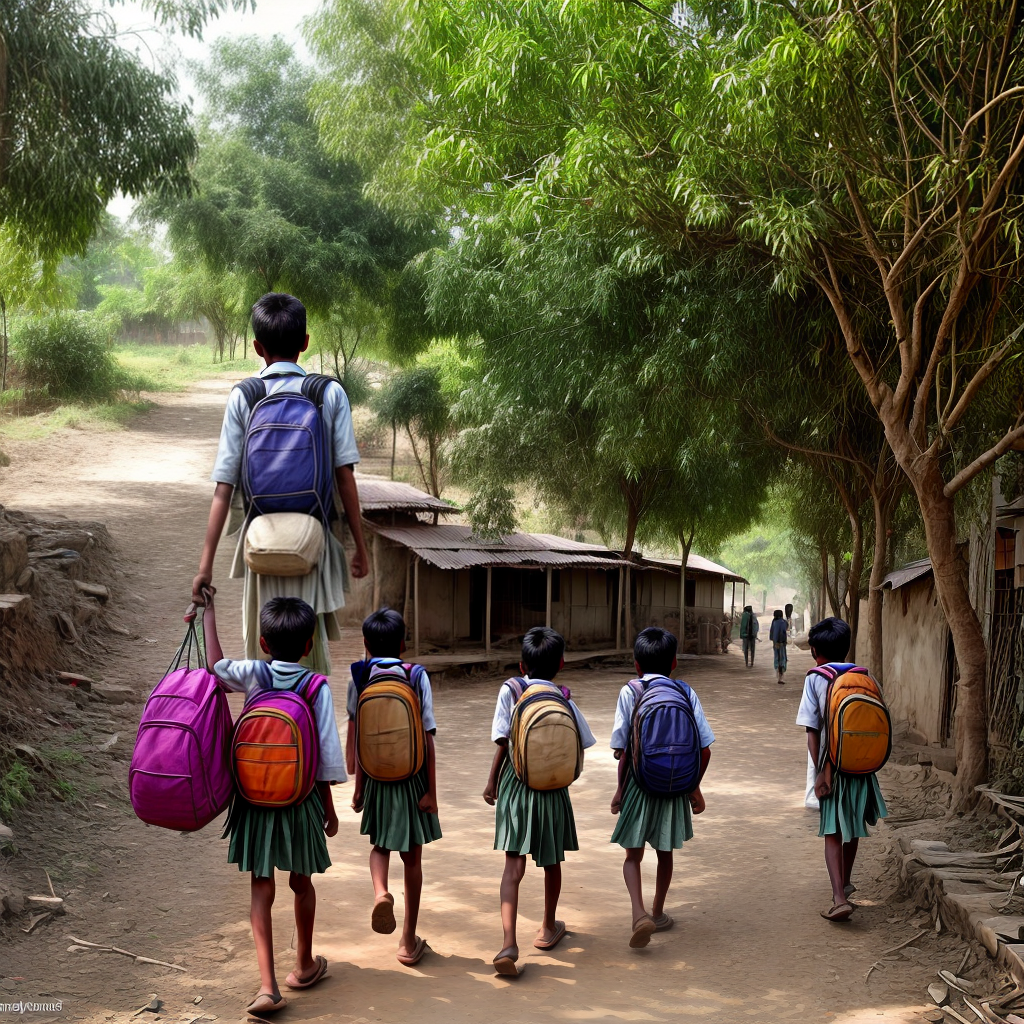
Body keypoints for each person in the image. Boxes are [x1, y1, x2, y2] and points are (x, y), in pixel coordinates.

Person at [192, 292, 370, 674]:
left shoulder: (246, 395)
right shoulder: (328, 393)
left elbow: (224, 486)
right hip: (313, 541)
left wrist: (204, 567)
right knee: (308, 650)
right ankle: (308, 721)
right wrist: (359, 546)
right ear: (305, 343)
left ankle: (264, 721)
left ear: (257, 347)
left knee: (262, 649)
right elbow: (344, 477)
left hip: (260, 541)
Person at [204, 595, 343, 1015]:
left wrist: (210, 612)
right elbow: (325, 758)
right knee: (302, 883)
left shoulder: (254, 674)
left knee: (260, 889)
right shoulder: (317, 687)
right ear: (309, 645)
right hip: (300, 801)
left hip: (254, 799)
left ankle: (267, 986)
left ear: (263, 642)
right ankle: (303, 964)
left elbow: (215, 666)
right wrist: (329, 810)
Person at [482, 626, 596, 976]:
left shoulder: (511, 691)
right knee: (551, 862)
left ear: (521, 665)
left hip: (517, 787)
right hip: (552, 791)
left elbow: (502, 741)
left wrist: (491, 783)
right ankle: (548, 927)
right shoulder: (564, 698)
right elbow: (584, 743)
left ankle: (508, 943)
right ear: (561, 663)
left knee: (512, 867)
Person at [610, 627, 714, 948]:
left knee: (633, 856)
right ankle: (657, 913)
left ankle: (638, 912)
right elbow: (705, 748)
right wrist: (694, 788)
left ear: (637, 665)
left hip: (640, 785)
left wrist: (619, 791)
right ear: (675, 662)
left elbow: (622, 750)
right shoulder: (685, 692)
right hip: (675, 786)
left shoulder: (631, 691)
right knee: (664, 853)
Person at [348, 608, 440, 967]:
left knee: (379, 845)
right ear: (404, 642)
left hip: (375, 777)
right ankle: (407, 941)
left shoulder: (359, 675)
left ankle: (381, 891)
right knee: (413, 858)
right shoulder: (415, 675)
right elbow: (428, 736)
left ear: (366, 644)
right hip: (413, 776)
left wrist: (358, 786)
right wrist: (431, 792)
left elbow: (358, 734)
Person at [796, 616, 888, 922]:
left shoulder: (815, 678)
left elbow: (812, 730)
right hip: (862, 767)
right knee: (853, 829)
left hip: (833, 768)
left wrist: (821, 772)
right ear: (847, 647)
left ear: (813, 650)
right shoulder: (865, 677)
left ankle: (838, 899)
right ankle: (845, 883)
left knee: (832, 832)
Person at [769, 608, 788, 684]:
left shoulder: (774, 622)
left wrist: (775, 641)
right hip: (781, 644)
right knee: (783, 659)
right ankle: (781, 677)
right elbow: (784, 629)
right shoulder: (782, 622)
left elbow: (772, 633)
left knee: (777, 658)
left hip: (775, 643)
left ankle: (778, 675)